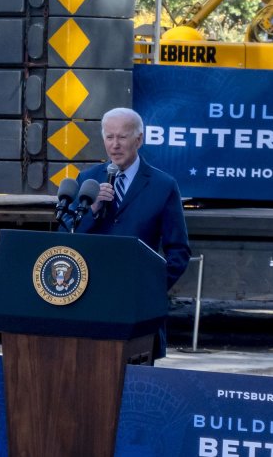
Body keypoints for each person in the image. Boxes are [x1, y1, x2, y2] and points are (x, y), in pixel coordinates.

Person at [69, 107, 191, 358]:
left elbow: (178, 250)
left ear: (139, 139)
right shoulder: (87, 180)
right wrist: (92, 209)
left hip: (136, 307)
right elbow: (66, 234)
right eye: (109, 137)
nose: (115, 145)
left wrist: (152, 290)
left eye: (122, 137)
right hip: (89, 300)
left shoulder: (163, 185)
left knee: (134, 385)